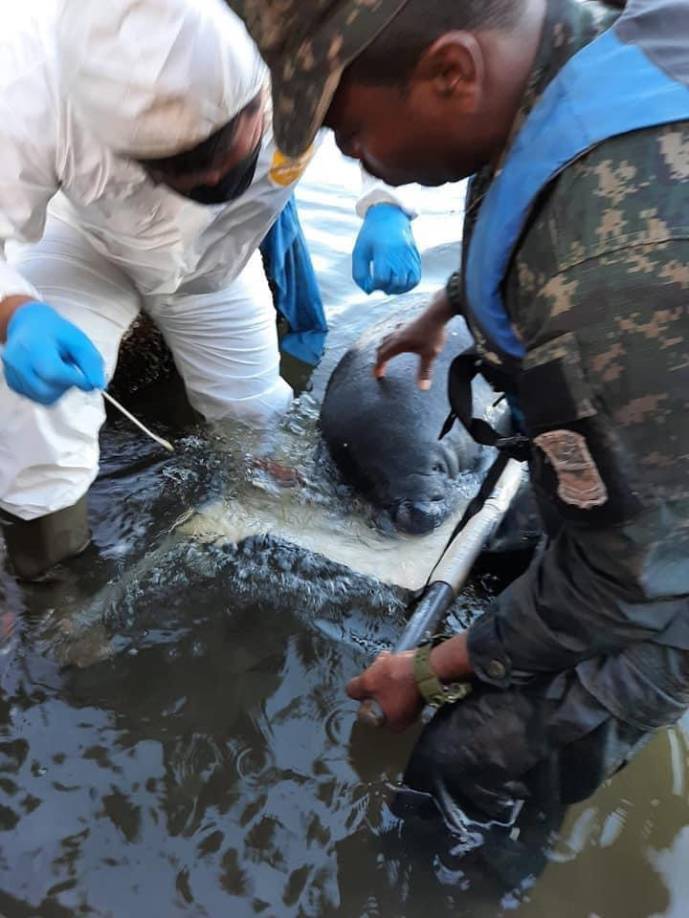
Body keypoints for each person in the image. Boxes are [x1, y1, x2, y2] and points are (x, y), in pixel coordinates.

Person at [229, 0, 689, 834]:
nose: (349, 155)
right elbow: (547, 193)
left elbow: (626, 579)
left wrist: (433, 672)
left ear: (450, 73)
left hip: (664, 564)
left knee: (462, 761)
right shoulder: (579, 47)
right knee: (501, 547)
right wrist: (447, 306)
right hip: (650, 475)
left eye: (345, 127)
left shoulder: (608, 281)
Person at [0, 0, 421, 581]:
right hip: (83, 243)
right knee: (37, 417)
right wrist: (14, 311)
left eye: (218, 152)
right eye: (176, 164)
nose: (203, 177)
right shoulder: (26, 64)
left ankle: (287, 537)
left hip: (217, 261)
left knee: (259, 415)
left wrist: (386, 203)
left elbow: (384, 72)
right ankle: (53, 585)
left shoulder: (299, 23)